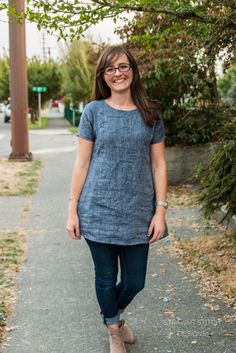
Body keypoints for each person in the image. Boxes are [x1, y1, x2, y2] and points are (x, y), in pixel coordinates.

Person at [66, 45, 168, 353]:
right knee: (106, 278)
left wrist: (160, 210)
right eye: (110, 69)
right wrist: (72, 209)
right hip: (97, 209)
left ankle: (112, 317)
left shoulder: (150, 112)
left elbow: (159, 164)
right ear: (103, 76)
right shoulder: (93, 111)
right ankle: (114, 330)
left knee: (135, 281)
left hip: (139, 211)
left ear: (133, 70)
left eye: (123, 66)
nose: (117, 73)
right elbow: (82, 163)